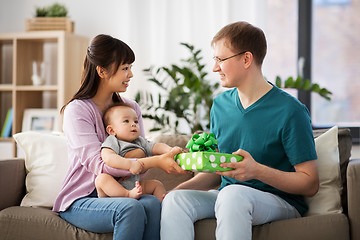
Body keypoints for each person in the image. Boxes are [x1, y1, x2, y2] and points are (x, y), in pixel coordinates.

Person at [161, 21, 319, 240]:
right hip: (228, 196)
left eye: (221, 59)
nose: (215, 67)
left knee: (233, 195)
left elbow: (310, 183)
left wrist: (257, 171)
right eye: (214, 59)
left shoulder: (291, 111)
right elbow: (217, 170)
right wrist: (179, 189)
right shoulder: (220, 105)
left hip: (278, 201)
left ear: (246, 59)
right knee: (175, 200)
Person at [52, 34, 185, 240]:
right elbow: (99, 166)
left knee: (151, 204)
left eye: (130, 67)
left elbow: (141, 152)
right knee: (129, 208)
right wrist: (155, 161)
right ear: (101, 71)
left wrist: (163, 154)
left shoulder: (131, 109)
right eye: (125, 68)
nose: (131, 74)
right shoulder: (77, 111)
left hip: (124, 190)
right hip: (82, 198)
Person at [96, 103, 177, 201]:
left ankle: (164, 206)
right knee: (101, 179)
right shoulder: (113, 140)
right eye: (126, 121)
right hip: (114, 186)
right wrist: (130, 164)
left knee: (156, 185)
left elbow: (156, 146)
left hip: (135, 185)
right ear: (112, 130)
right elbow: (108, 157)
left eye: (136, 121)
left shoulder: (139, 141)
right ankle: (127, 194)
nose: (133, 124)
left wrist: (170, 150)